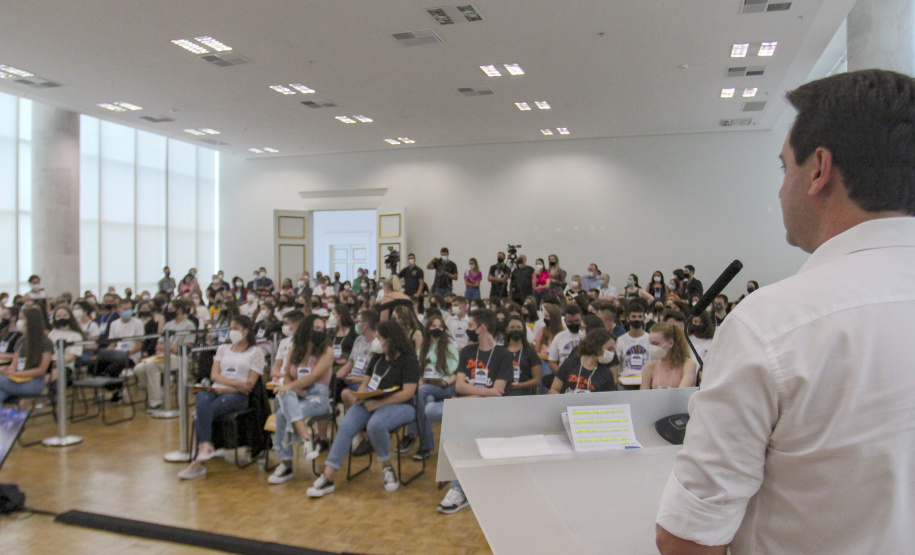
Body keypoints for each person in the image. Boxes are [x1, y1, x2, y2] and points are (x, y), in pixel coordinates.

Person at [656, 70, 915, 554]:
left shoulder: (773, 323)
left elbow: (689, 539)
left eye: (783, 170)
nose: (781, 191)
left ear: (819, 170)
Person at [307, 320, 420, 497]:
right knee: (347, 425)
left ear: (390, 340)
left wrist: (379, 404)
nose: (376, 341)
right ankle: (328, 476)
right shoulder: (378, 357)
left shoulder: (409, 360)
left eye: (380, 338)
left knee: (376, 424)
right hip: (371, 401)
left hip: (400, 405)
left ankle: (387, 468)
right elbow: (366, 382)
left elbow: (408, 392)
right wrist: (359, 396)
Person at [436, 309, 513, 514]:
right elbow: (459, 386)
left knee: (464, 431)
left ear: (482, 328)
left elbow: (499, 393)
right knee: (431, 410)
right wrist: (484, 392)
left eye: (470, 326)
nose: (467, 330)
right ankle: (458, 484)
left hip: (492, 411)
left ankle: (458, 489)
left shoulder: (503, 355)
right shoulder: (468, 352)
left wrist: (473, 396)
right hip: (467, 406)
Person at [179, 315, 265, 479]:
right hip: (217, 390)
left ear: (246, 331)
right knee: (202, 397)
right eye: (230, 328)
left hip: (237, 396)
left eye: (236, 329)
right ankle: (205, 446)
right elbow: (214, 375)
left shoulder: (255, 352)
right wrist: (232, 384)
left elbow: (248, 385)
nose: (232, 332)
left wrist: (227, 387)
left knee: (200, 416)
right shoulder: (223, 349)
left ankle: (198, 463)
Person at [267, 314, 333, 483]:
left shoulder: (327, 351)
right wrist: (292, 387)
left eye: (321, 329)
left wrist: (290, 386)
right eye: (315, 328)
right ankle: (306, 439)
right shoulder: (295, 349)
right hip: (296, 395)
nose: (318, 332)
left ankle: (286, 461)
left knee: (283, 413)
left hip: (318, 396)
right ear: (306, 329)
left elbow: (313, 377)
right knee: (285, 399)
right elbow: (288, 375)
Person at [399, 314, 459, 459]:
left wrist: (444, 382)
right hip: (428, 387)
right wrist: (420, 380)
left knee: (421, 391)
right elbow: (418, 370)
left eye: (439, 326)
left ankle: (414, 434)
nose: (436, 329)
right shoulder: (423, 349)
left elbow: (456, 373)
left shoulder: (450, 347)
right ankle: (425, 446)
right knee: (427, 400)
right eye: (433, 326)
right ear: (428, 329)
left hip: (446, 386)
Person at [134, 299, 196, 411]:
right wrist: (169, 348)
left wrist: (169, 348)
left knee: (151, 366)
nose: (169, 312)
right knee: (138, 369)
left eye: (171, 309)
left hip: (179, 358)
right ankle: (158, 392)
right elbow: (159, 345)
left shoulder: (189, 325)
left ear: (179, 310)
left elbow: (184, 347)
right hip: (163, 356)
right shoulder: (168, 325)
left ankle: (155, 402)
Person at [0, 307, 53, 404]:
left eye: (21, 318)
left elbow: (41, 370)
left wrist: (17, 374)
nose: (19, 322)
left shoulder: (45, 342)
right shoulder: (21, 341)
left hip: (33, 382)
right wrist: (7, 371)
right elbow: (14, 365)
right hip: (15, 380)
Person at [549, 328, 617, 394]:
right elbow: (554, 389)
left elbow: (608, 399)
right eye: (609, 349)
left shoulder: (606, 373)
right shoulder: (569, 364)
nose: (612, 353)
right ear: (597, 346)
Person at [640, 323, 696, 390]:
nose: (652, 347)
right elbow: (643, 395)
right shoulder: (649, 366)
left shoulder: (688, 364)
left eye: (656, 343)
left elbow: (681, 392)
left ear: (670, 343)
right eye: (651, 343)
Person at [615, 299, 651, 381]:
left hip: (645, 379)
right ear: (627, 319)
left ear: (644, 319)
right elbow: (617, 364)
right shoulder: (620, 340)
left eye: (640, 317)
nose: (637, 319)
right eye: (634, 317)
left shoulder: (650, 339)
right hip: (625, 379)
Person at [504, 315, 540, 396]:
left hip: (524, 393)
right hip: (504, 392)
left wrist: (518, 386)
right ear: (506, 329)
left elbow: (537, 380)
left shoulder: (530, 352)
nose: (515, 330)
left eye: (518, 327)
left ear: (523, 329)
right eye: (512, 327)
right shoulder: (501, 351)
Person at [547, 305, 582, 373]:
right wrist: (562, 374)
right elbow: (552, 362)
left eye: (577, 321)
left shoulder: (589, 336)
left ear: (582, 318)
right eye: (570, 322)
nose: (574, 324)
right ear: (565, 321)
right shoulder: (559, 337)